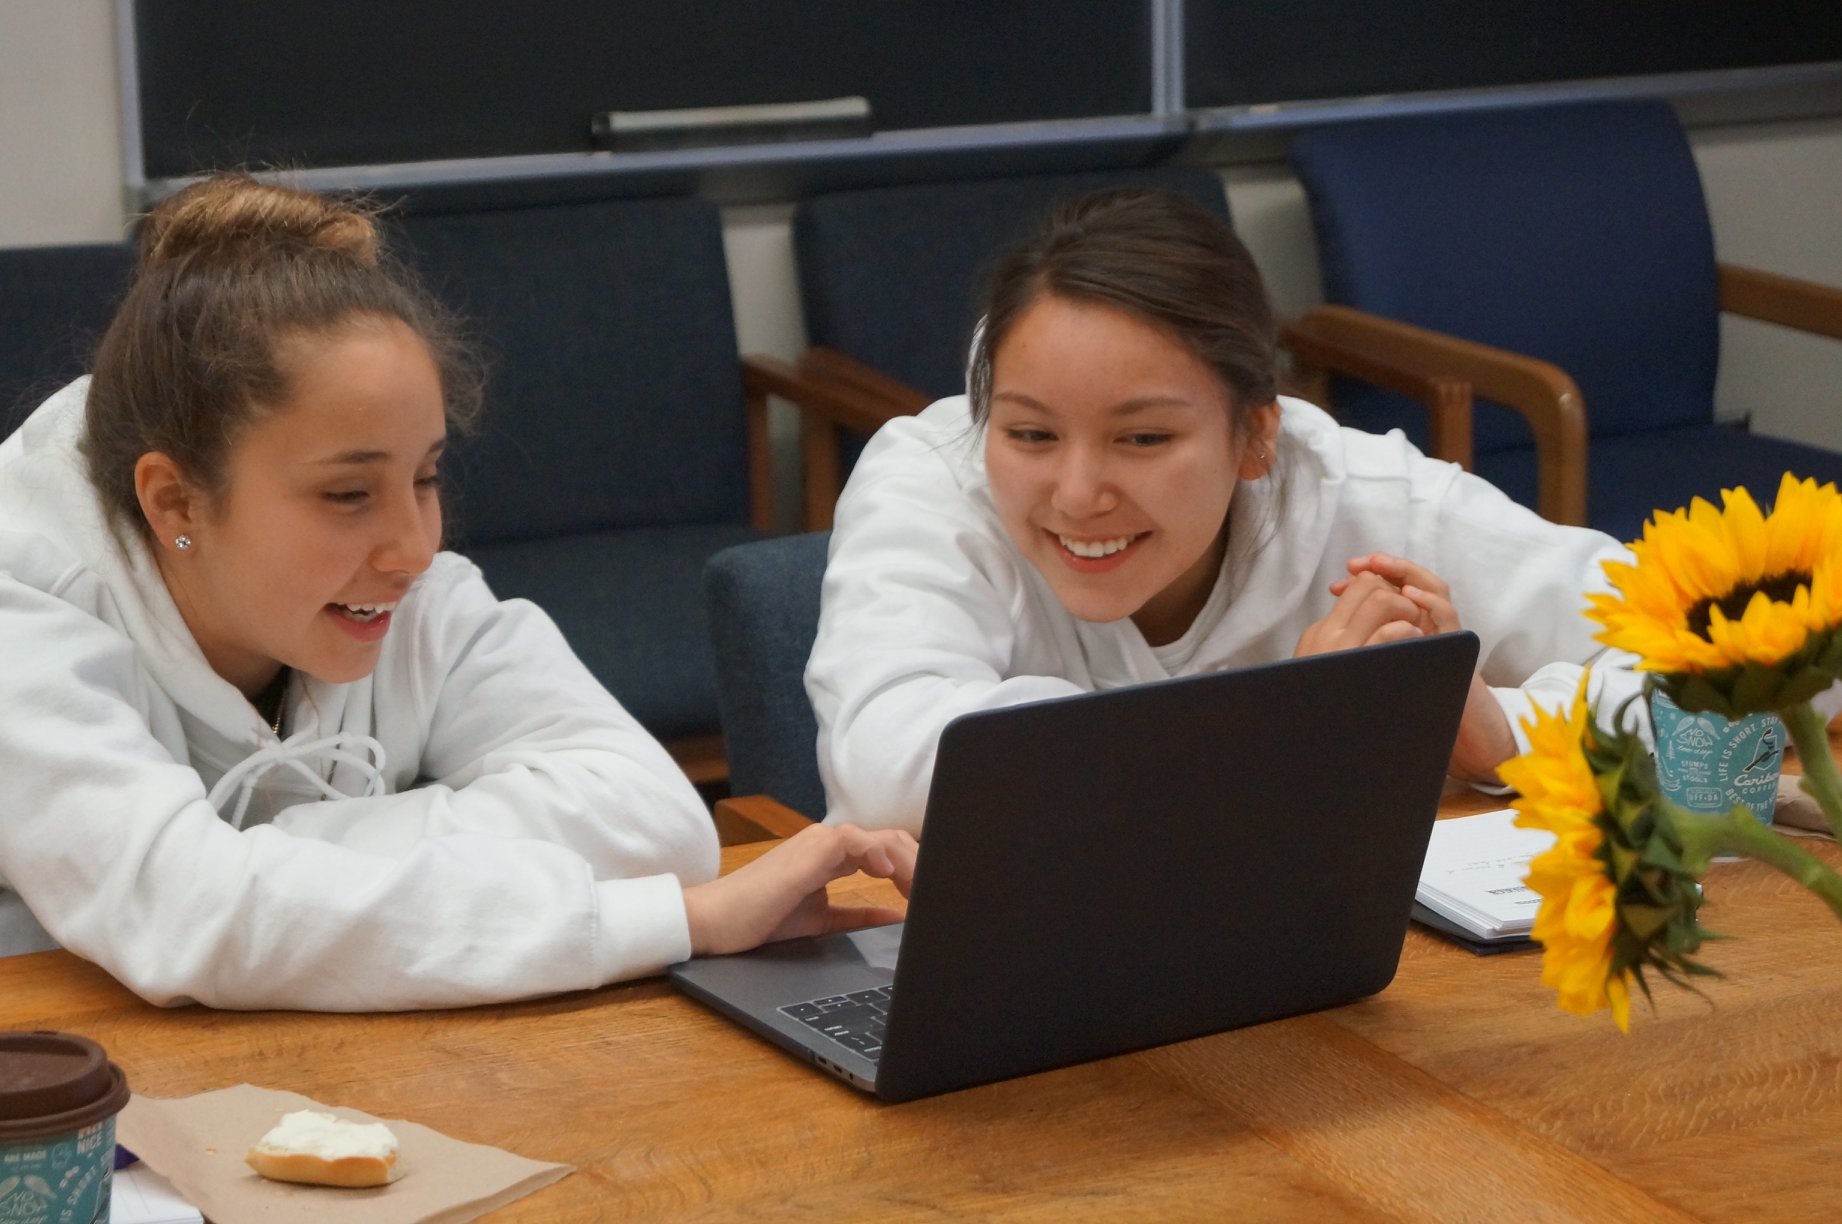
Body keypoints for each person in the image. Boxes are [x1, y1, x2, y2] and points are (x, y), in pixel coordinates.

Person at [0, 174, 914, 1010]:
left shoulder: (402, 584)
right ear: (175, 499)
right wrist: (682, 923)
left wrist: (254, 871)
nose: (413, 549)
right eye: (348, 494)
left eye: (427, 478)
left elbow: (654, 824)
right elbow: (184, 918)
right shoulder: (24, 597)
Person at [807, 187, 1642, 834]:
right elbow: (886, 768)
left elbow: (1722, 648)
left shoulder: (1367, 497)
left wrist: (1503, 733)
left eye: (1140, 439)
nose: (1076, 494)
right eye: (1029, 432)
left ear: (1255, 437)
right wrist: (1285, 730)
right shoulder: (931, 479)